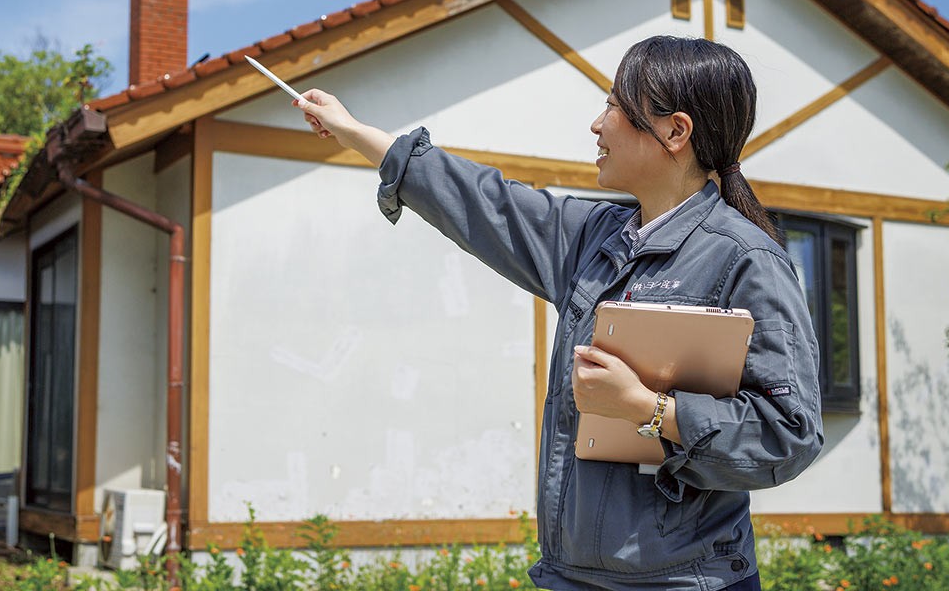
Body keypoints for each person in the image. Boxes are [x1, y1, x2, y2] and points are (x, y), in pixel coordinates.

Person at [294, 35, 823, 591]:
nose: (598, 124)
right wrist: (355, 131)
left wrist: (646, 407)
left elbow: (789, 434)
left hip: (687, 581)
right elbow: (487, 202)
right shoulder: (592, 238)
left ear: (675, 131)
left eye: (617, 106)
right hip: (570, 577)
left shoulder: (747, 260)